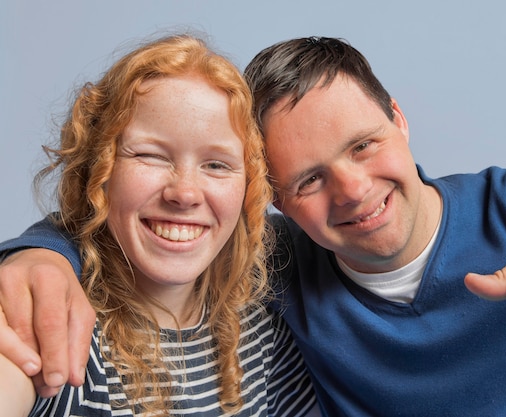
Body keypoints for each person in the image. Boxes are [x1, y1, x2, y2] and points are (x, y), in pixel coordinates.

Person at [2, 36, 506, 416]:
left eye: (363, 145)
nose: (353, 190)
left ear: (399, 119)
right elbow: (136, 222)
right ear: (268, 199)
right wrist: (41, 256)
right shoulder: (277, 268)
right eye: (307, 180)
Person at [0, 33, 317, 416]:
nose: (184, 194)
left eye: (216, 164)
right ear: (98, 170)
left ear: (250, 187)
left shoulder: (260, 326)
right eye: (150, 155)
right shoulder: (56, 325)